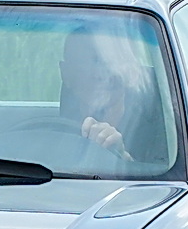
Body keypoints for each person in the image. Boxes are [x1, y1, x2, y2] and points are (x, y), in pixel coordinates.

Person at [60, 26, 160, 163]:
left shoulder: (167, 136)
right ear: (66, 74)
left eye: (111, 62)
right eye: (91, 62)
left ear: (132, 72)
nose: (101, 74)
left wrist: (122, 158)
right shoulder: (50, 137)